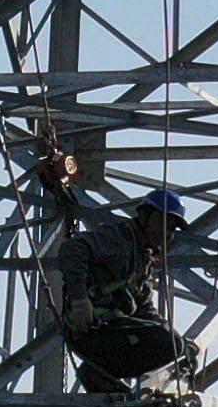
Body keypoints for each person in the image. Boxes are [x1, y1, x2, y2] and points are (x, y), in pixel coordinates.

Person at [29, 136, 189, 388]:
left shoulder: (142, 259)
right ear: (145, 217)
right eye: (164, 222)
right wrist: (80, 298)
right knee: (169, 343)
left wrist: (174, 338)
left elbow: (144, 307)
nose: (167, 233)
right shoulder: (118, 238)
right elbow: (72, 249)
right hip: (94, 329)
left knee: (175, 346)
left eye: (172, 228)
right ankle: (98, 374)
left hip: (111, 331)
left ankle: (103, 376)